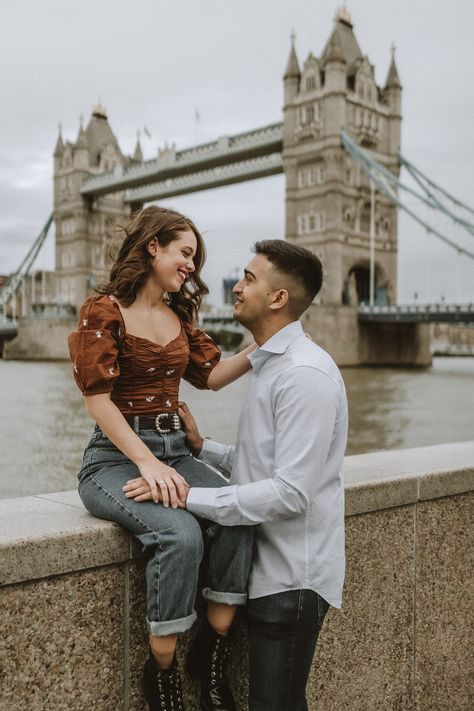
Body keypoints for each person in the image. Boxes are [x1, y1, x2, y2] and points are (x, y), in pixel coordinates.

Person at [124, 239, 349, 711]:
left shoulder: (304, 375)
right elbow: (262, 462)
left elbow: (290, 493)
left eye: (249, 278)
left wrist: (186, 497)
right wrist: (205, 449)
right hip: (265, 571)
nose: (238, 285)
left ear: (278, 298)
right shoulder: (272, 363)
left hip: (292, 579)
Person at [68, 205, 255, 711]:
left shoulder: (180, 315)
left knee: (238, 513)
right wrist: (148, 465)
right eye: (185, 252)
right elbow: (97, 400)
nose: (192, 265)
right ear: (154, 247)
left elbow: (211, 376)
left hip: (175, 450)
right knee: (180, 534)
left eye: (195, 257)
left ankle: (211, 655)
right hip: (114, 460)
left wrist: (267, 346)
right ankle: (163, 672)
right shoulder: (102, 310)